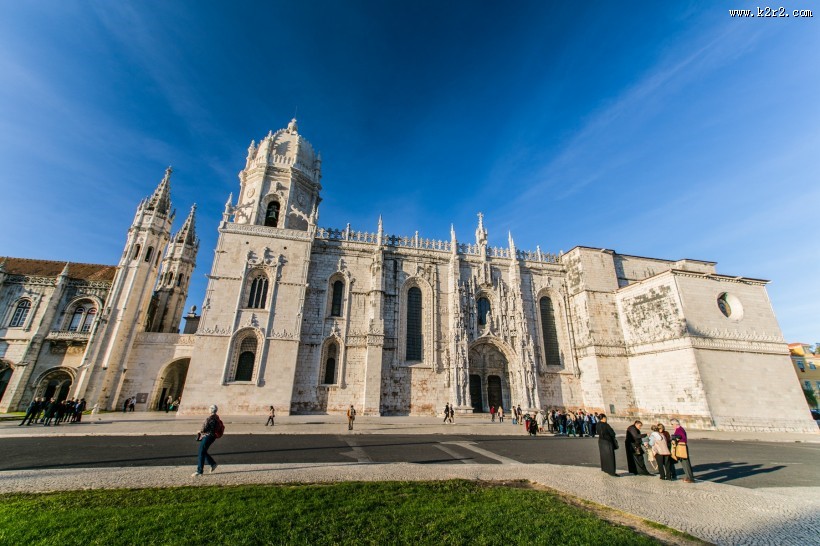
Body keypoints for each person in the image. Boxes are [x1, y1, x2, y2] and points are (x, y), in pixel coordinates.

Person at [193, 404, 222, 477]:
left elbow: (205, 429)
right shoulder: (217, 418)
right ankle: (212, 464)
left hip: (208, 436)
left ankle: (199, 471)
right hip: (212, 437)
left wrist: (199, 431)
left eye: (210, 408)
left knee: (201, 452)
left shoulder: (210, 418)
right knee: (203, 451)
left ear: (212, 409)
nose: (208, 409)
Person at [671, 418, 695, 483]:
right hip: (680, 447)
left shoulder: (679, 430)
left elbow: (683, 439)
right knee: (683, 463)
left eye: (672, 424)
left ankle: (690, 478)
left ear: (676, 424)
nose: (672, 426)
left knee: (686, 463)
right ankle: (688, 476)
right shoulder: (678, 429)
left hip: (682, 448)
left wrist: (676, 437)